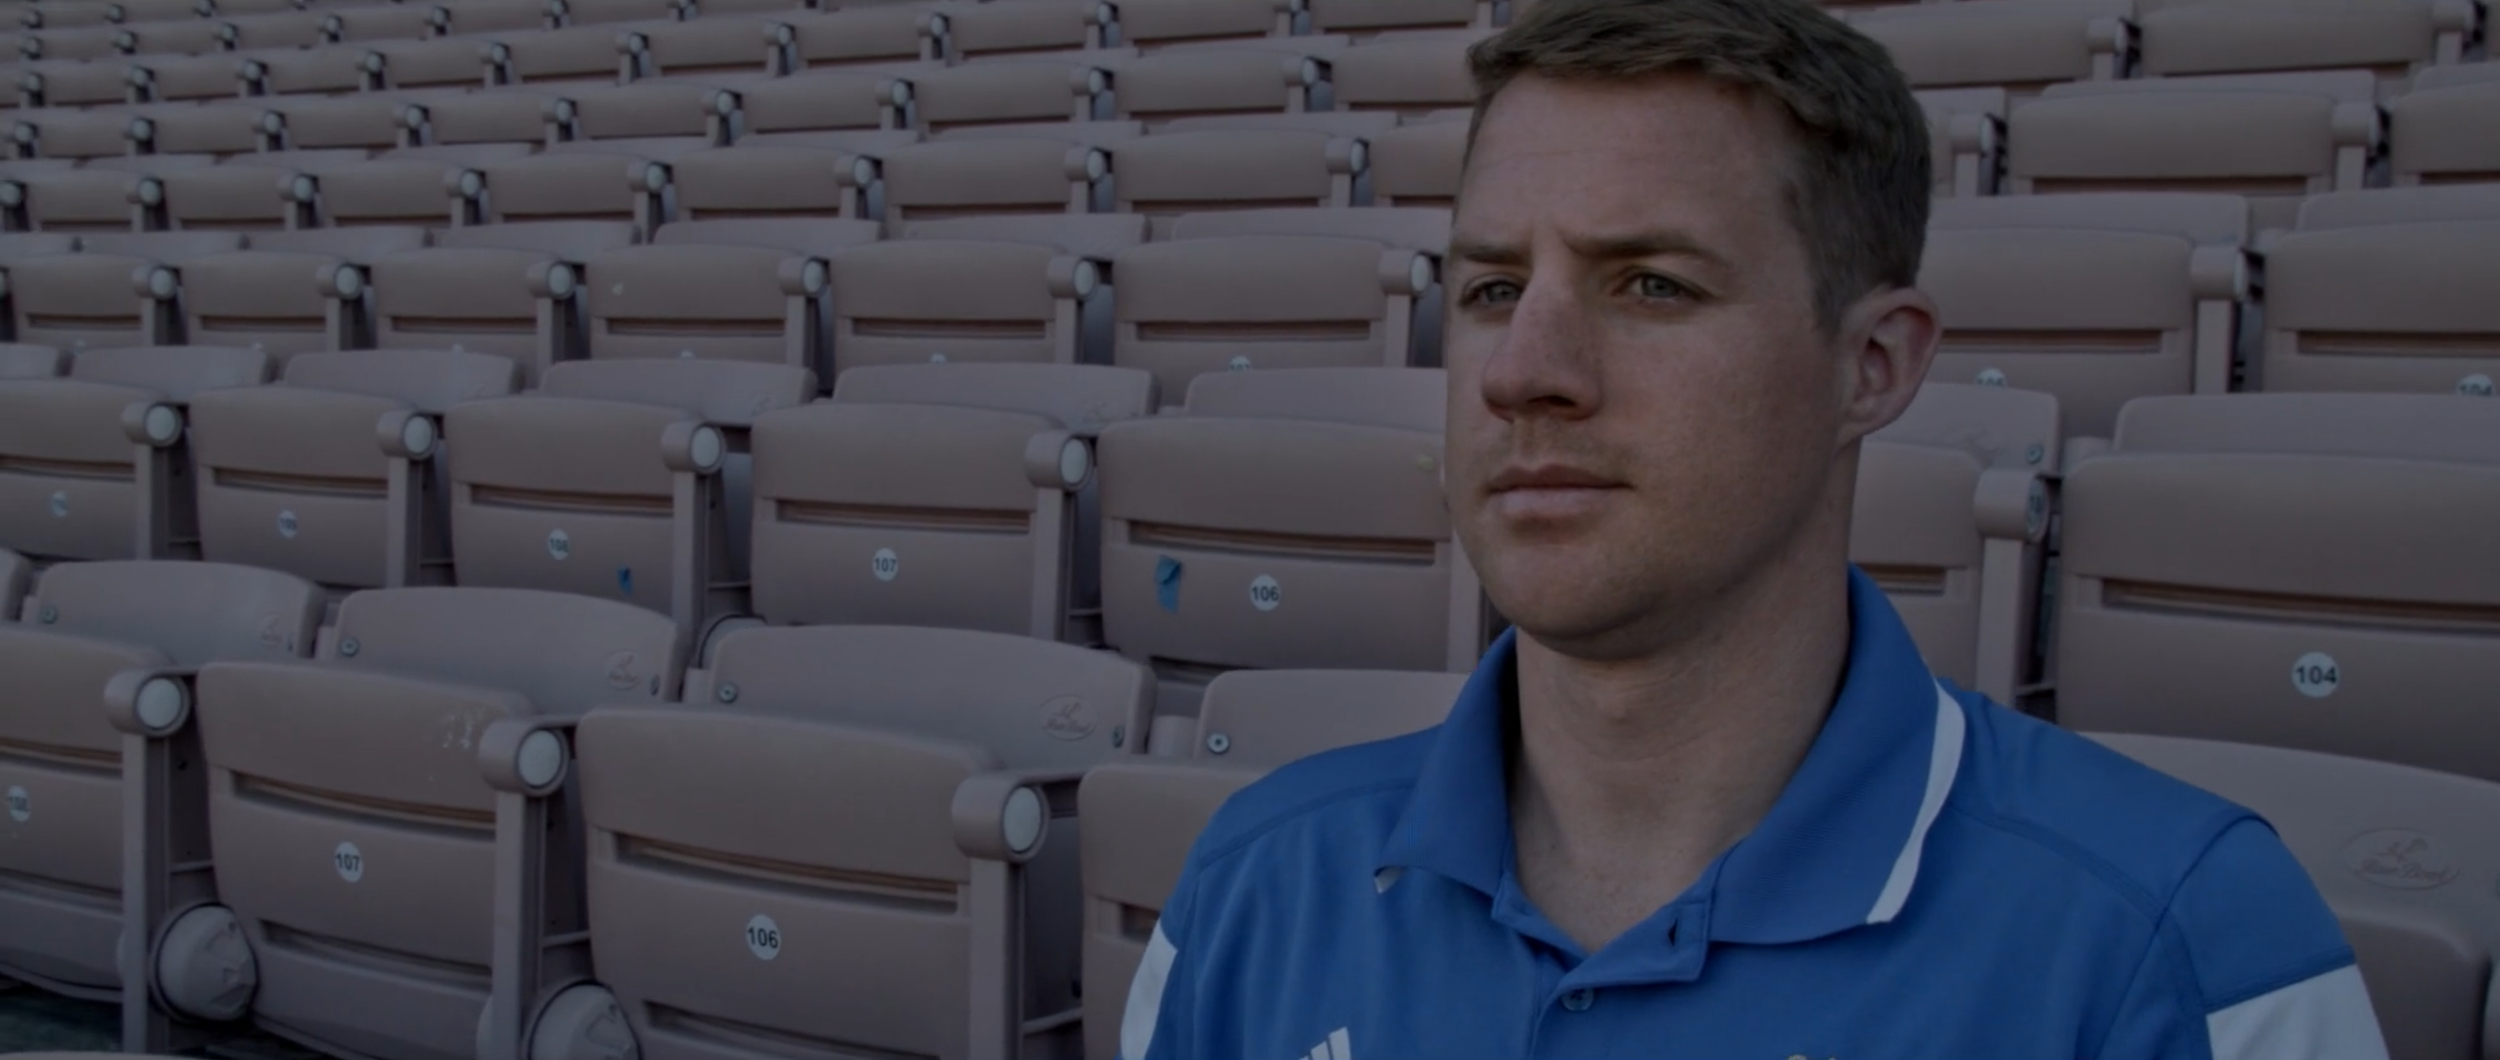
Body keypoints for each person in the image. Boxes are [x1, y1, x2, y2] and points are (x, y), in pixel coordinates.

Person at [1116, 0, 2391, 1057]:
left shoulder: (2186, 949)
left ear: (1871, 366)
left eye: (1650, 284)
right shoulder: (1252, 886)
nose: (1522, 371)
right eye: (1494, 286)